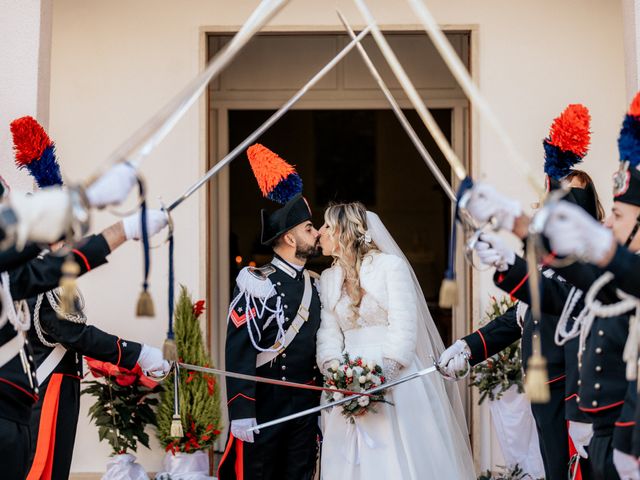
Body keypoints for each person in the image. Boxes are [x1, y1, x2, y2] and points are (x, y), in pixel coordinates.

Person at [316, 202, 475, 479]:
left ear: (344, 232)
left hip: (395, 377)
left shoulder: (391, 267)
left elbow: (404, 326)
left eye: (327, 226)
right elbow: (328, 334)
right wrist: (336, 375)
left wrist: (380, 379)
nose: (320, 232)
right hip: (345, 379)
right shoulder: (329, 279)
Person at [218, 144, 322, 480]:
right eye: (309, 228)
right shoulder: (256, 282)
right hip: (266, 404)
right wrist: (241, 408)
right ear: (290, 238)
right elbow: (238, 349)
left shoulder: (317, 284)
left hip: (306, 406)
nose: (317, 233)